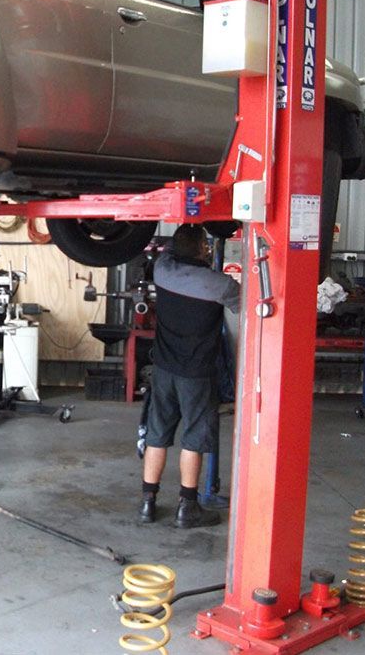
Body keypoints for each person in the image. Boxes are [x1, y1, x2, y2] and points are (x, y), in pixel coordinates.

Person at [140, 223, 240, 529]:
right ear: (203, 249)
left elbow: (172, 250)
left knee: (157, 435)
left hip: (164, 370)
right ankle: (188, 505)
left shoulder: (162, 270)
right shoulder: (219, 285)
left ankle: (148, 503)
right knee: (194, 439)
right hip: (197, 375)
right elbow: (252, 306)